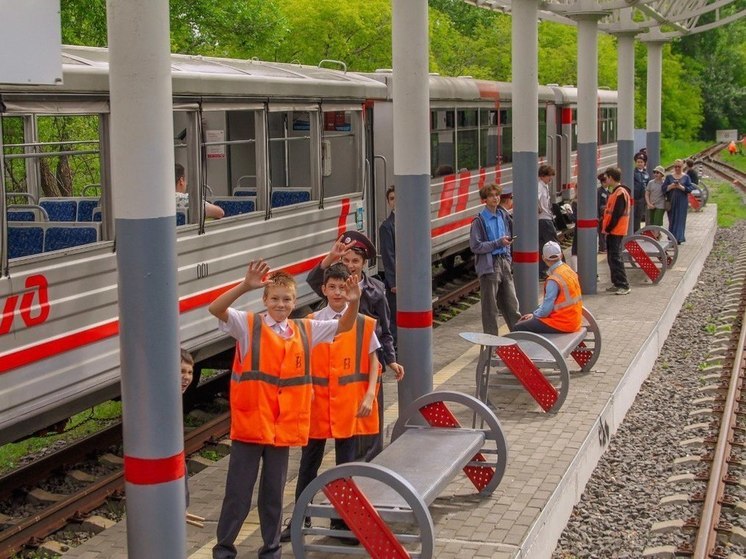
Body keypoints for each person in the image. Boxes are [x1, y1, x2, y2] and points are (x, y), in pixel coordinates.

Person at [209, 260, 361, 559]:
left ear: (295, 302)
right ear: (265, 300)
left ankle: (271, 550)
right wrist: (244, 286)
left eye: (287, 299)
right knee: (238, 494)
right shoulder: (248, 325)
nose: (281, 304)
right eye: (275, 298)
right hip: (252, 429)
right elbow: (216, 309)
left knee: (273, 496)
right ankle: (224, 550)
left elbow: (345, 325)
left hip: (282, 431)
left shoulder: (305, 330)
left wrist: (353, 303)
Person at [280, 263, 381, 544]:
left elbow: (374, 358)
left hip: (347, 406)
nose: (338, 292)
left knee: (344, 465)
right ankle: (301, 518)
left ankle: (343, 521)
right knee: (308, 465)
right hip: (316, 407)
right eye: (332, 287)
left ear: (350, 289)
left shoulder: (361, 321)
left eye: (342, 287)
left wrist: (371, 392)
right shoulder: (312, 321)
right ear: (323, 289)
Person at [306, 231, 404, 462]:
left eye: (355, 261)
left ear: (364, 263)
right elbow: (313, 279)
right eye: (346, 260)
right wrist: (331, 257)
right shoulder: (336, 284)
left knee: (369, 422)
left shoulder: (376, 289)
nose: (350, 266)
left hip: (368, 361)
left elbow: (385, 328)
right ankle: (351, 469)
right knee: (347, 426)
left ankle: (370, 466)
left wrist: (390, 359)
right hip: (341, 362)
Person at [469, 183, 521, 334]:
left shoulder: (503, 215)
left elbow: (508, 240)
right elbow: (476, 246)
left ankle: (519, 336)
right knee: (490, 308)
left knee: (512, 304)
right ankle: (492, 343)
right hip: (489, 265)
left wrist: (508, 257)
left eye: (497, 195)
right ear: (484, 199)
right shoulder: (479, 221)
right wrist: (498, 243)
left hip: (503, 261)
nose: (496, 198)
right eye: (491, 195)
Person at [514, 241, 582, 334]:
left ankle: (530, 348)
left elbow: (545, 311)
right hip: (575, 319)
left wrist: (534, 315)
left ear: (543, 258)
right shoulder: (569, 270)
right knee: (534, 316)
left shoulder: (554, 279)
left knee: (519, 326)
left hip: (562, 323)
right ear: (561, 255)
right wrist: (535, 314)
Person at [601, 167, 631, 295]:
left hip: (615, 230)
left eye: (606, 177)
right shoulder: (617, 192)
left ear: (611, 178)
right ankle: (617, 282)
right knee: (612, 257)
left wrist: (608, 227)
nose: (605, 180)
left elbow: (616, 214)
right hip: (614, 230)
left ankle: (623, 284)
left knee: (615, 257)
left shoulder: (620, 193)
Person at [378, 185, 397, 345]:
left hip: (410, 280)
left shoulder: (412, 223)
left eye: (398, 198)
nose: (395, 202)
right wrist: (393, 282)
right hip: (396, 282)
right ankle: (395, 350)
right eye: (391, 199)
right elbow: (388, 256)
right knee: (395, 319)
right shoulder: (387, 226)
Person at [662, 159, 694, 244]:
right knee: (672, 219)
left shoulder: (686, 177)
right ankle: (672, 237)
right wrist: (671, 186)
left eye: (679, 167)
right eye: (675, 166)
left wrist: (681, 187)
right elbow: (663, 188)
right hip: (671, 200)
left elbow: (690, 188)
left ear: (682, 167)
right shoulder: (669, 177)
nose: (677, 168)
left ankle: (679, 238)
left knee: (680, 219)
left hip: (682, 201)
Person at [537, 164, 561, 280]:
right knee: (554, 244)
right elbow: (536, 198)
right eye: (549, 176)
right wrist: (538, 207)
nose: (551, 179)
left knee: (542, 246)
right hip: (544, 219)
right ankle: (560, 268)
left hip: (544, 218)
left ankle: (541, 271)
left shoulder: (543, 186)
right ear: (543, 176)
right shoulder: (540, 187)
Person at [632, 157, 649, 232]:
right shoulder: (633, 173)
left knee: (639, 215)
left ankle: (637, 231)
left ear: (644, 163)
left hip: (642, 198)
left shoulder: (646, 174)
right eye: (638, 162)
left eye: (641, 162)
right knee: (633, 215)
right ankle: (634, 231)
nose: (639, 163)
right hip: (635, 197)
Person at [597, 173, 609, 253]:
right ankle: (602, 247)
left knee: (605, 231)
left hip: (606, 215)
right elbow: (597, 204)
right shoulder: (599, 191)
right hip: (602, 215)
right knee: (601, 232)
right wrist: (598, 215)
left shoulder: (607, 191)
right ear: (603, 182)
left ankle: (604, 246)